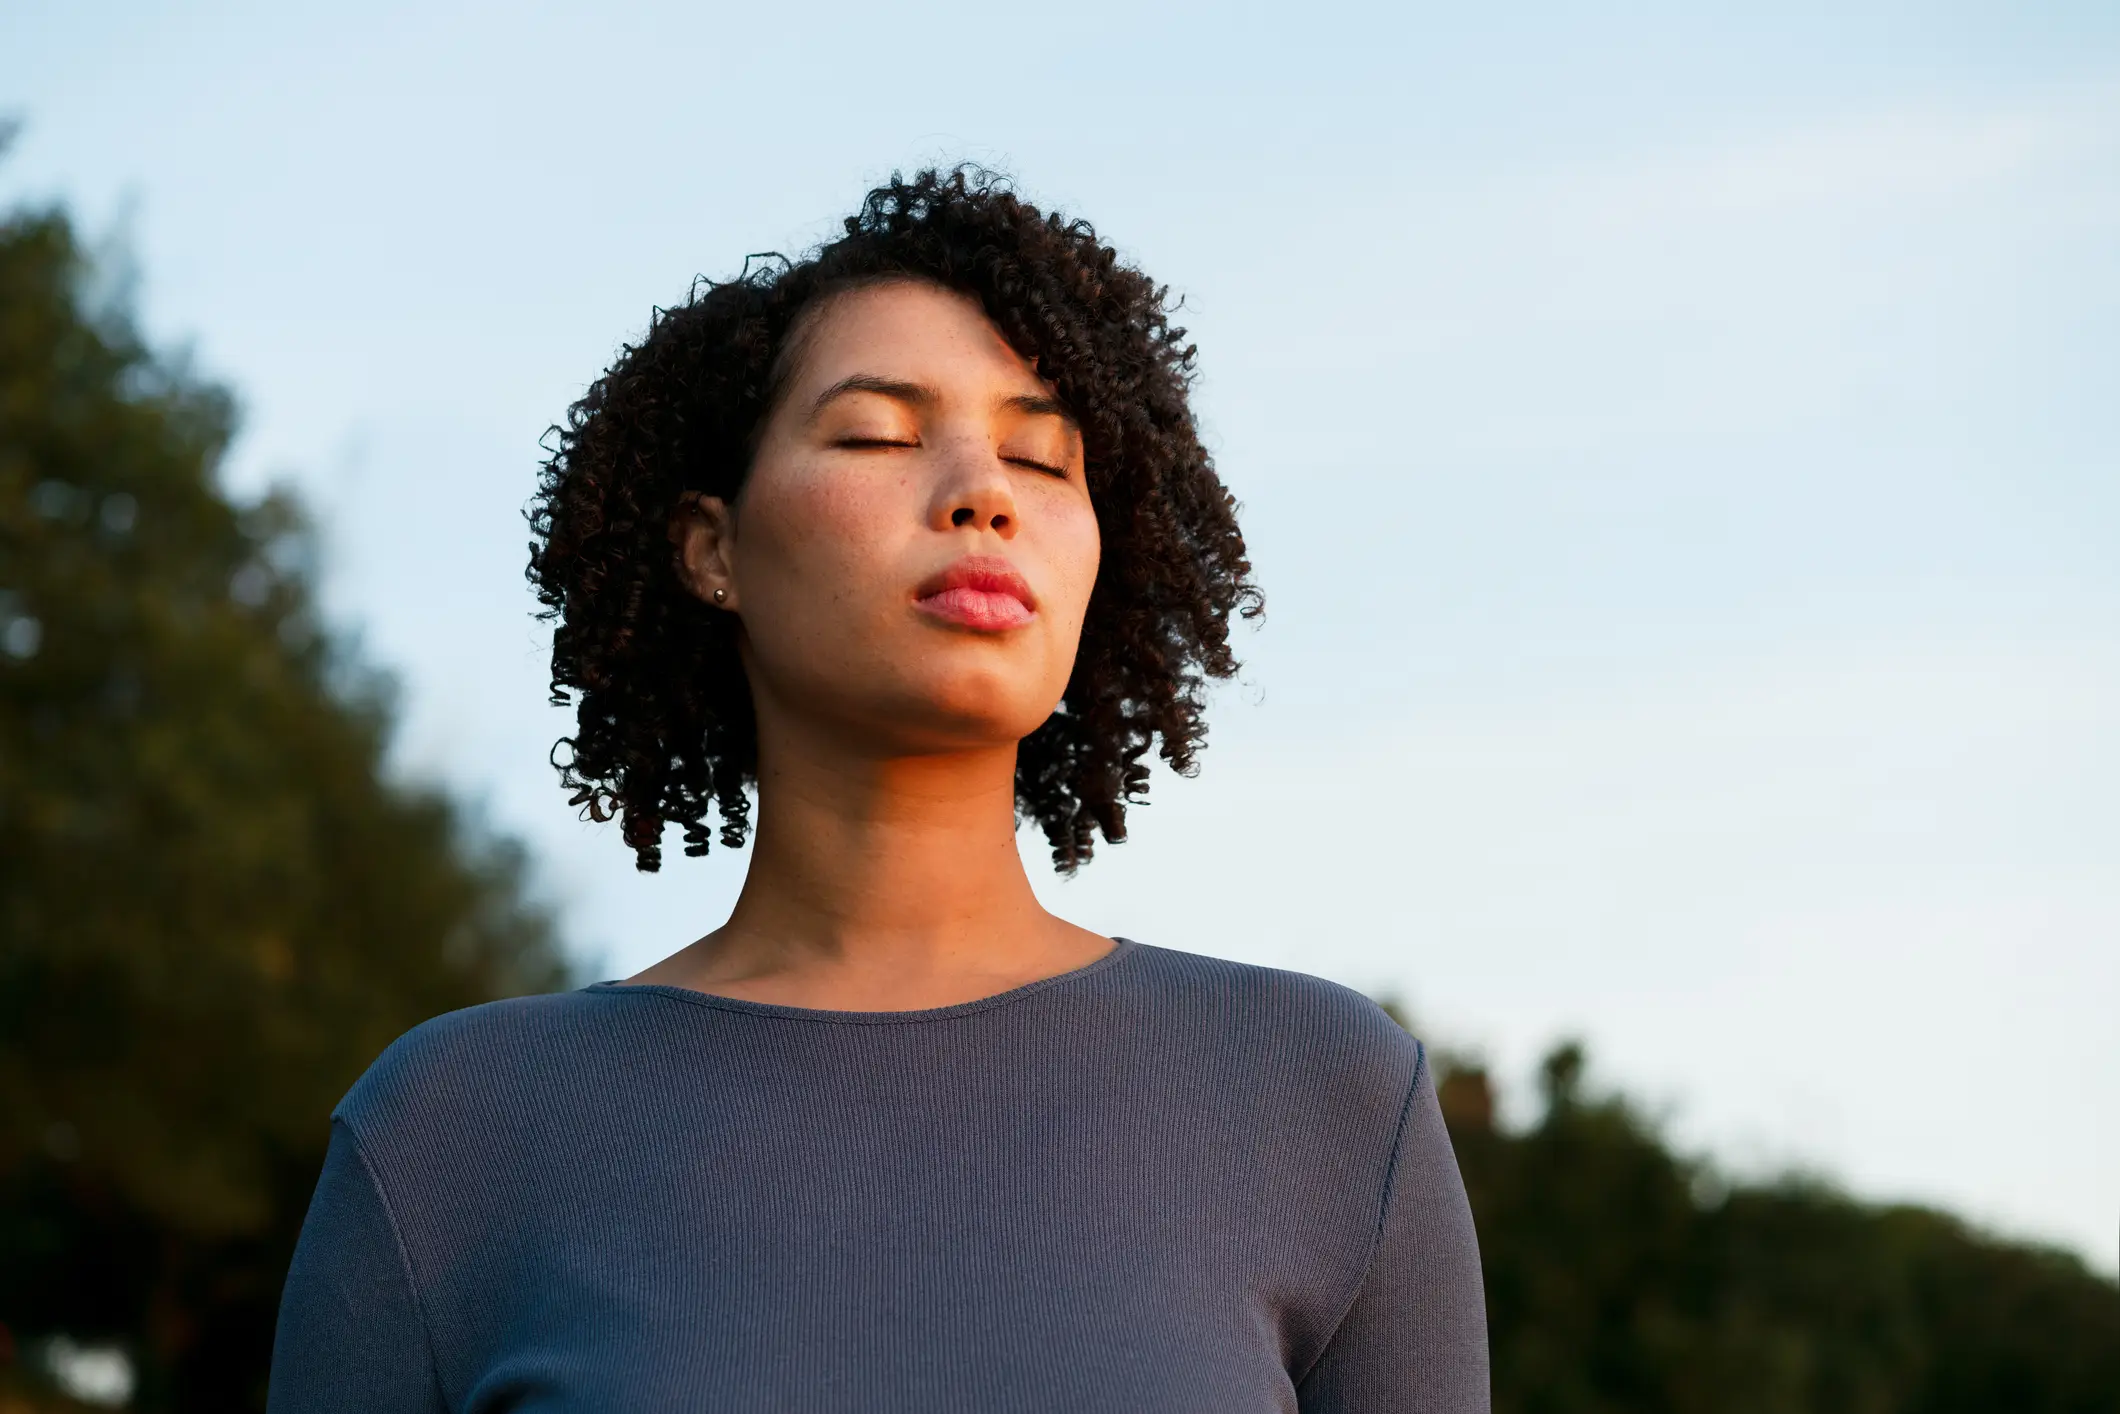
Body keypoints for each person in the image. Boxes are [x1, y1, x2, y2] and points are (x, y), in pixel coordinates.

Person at [268, 168, 1489, 1412]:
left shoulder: (1324, 1098)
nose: (982, 492)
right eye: (876, 435)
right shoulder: (450, 1136)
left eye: (1040, 456)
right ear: (712, 549)